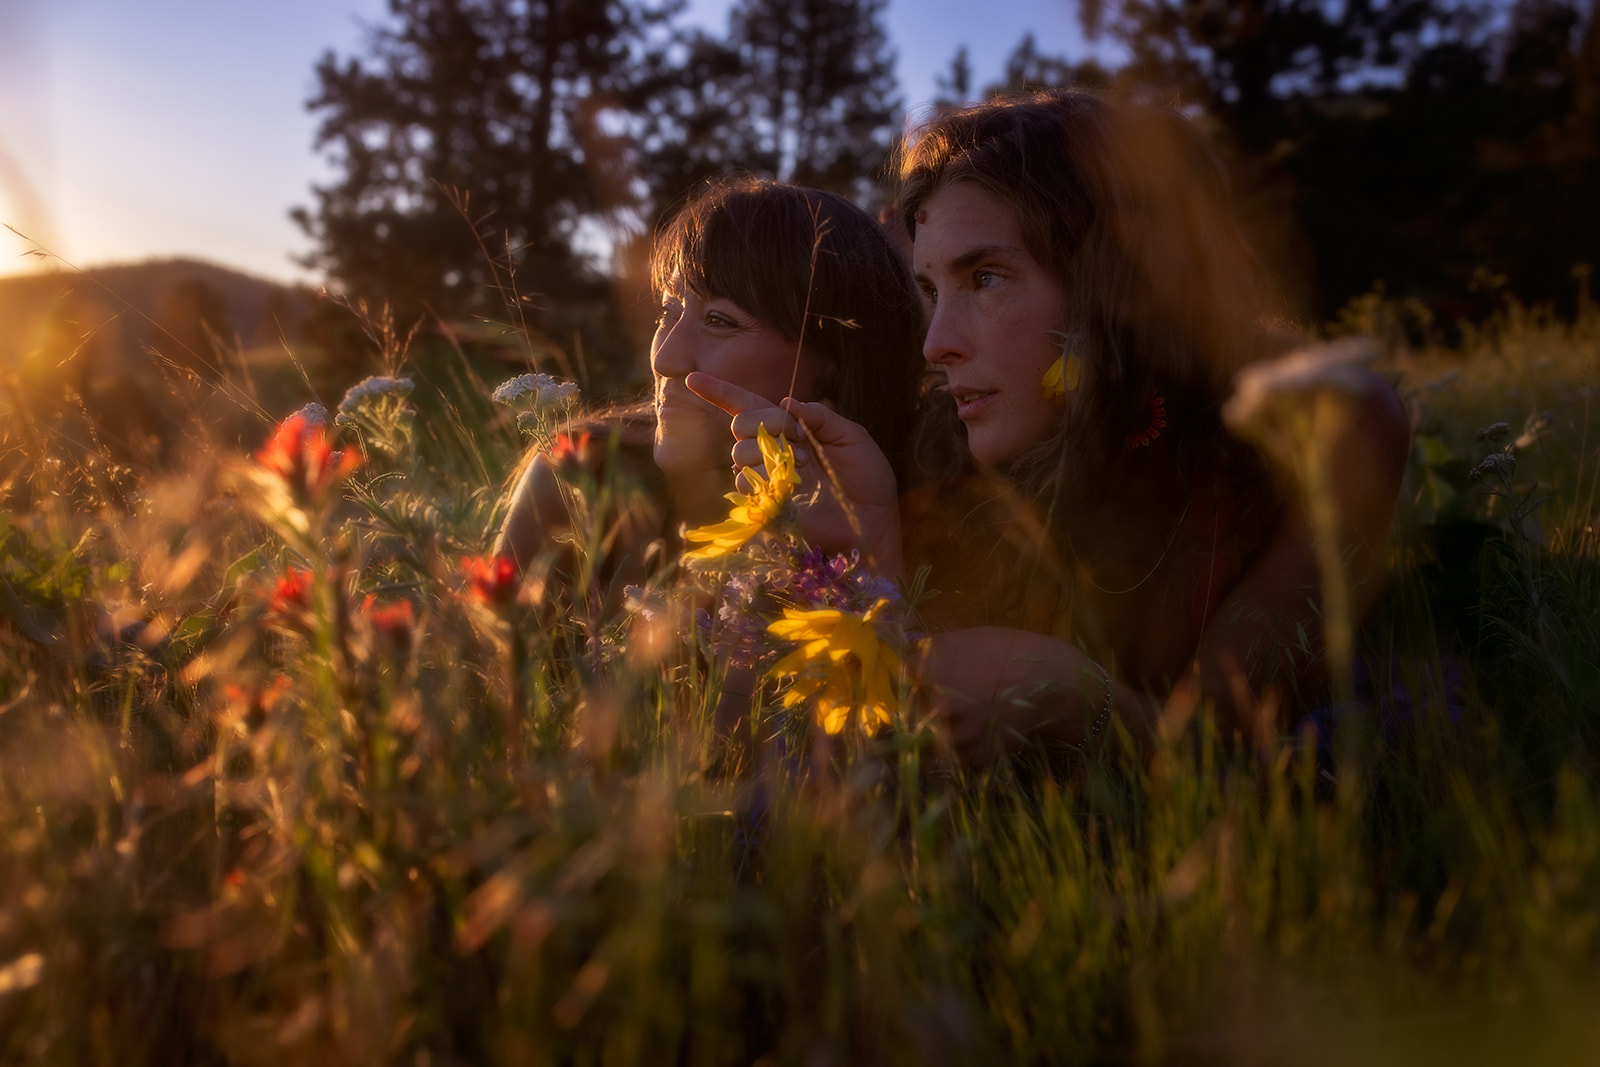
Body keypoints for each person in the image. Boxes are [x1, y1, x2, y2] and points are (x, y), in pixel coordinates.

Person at [693, 89, 1410, 764]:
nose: (936, 341)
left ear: (1119, 279)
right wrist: (869, 537)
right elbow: (876, 733)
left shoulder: (1319, 436)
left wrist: (1077, 696)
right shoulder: (936, 442)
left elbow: (1225, 749)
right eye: (931, 289)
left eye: (986, 279)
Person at [492, 175, 925, 611]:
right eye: (668, 310)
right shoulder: (580, 475)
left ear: (836, 366)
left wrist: (870, 557)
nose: (665, 361)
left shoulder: (916, 512)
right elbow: (471, 669)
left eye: (719, 320)